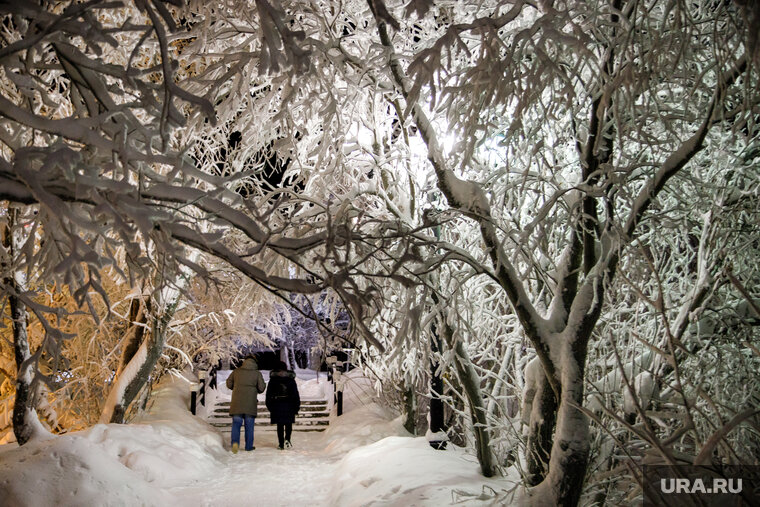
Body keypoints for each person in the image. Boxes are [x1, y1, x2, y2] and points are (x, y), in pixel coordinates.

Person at [225, 355, 265, 453]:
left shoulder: (236, 372)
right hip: (250, 403)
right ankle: (248, 446)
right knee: (249, 426)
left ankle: (235, 445)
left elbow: (228, 384)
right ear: (255, 363)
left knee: (236, 425)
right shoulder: (257, 374)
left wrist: (236, 387)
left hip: (237, 402)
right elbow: (261, 388)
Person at [266, 360, 300, 450]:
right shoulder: (290, 379)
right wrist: (296, 407)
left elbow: (268, 394)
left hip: (277, 405)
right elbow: (295, 394)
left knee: (280, 425)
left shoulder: (273, 380)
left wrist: (270, 406)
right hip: (289, 404)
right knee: (288, 424)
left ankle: (281, 444)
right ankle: (287, 439)